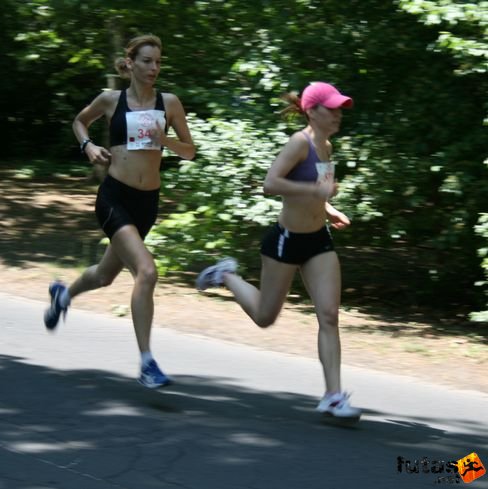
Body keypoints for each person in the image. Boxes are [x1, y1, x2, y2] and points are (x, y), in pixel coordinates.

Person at [196, 82, 361, 418]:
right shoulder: (299, 144)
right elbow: (271, 184)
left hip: (318, 240)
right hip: (286, 240)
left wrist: (329, 209)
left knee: (329, 315)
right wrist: (317, 194)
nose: (338, 114)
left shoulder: (325, 147)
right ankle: (226, 275)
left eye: (340, 108)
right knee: (264, 317)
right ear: (312, 111)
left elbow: (318, 192)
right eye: (331, 108)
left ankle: (333, 395)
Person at [44, 34, 195, 389]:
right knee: (146, 270)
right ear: (130, 63)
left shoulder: (169, 103)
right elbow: (80, 122)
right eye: (146, 61)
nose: (153, 68)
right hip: (114, 197)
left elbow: (189, 152)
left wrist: (166, 141)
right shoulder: (111, 100)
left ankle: (63, 296)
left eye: (158, 62)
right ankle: (146, 362)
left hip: (147, 204)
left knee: (104, 275)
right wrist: (88, 146)